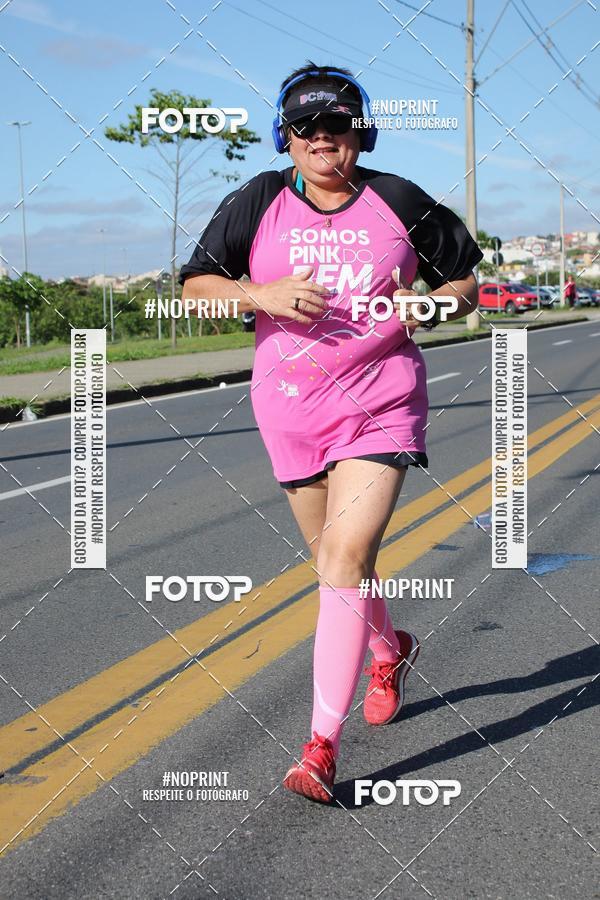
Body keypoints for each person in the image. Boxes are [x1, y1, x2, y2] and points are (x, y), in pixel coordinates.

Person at [179, 62, 483, 804]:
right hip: (291, 408)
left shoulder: (399, 198)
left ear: (360, 132)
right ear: (286, 138)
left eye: (337, 125)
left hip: (380, 402)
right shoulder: (257, 201)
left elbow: (469, 284)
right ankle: (390, 650)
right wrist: (257, 293)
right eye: (307, 127)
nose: (323, 139)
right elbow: (193, 290)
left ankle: (320, 746)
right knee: (333, 565)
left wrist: (430, 309)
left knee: (346, 559)